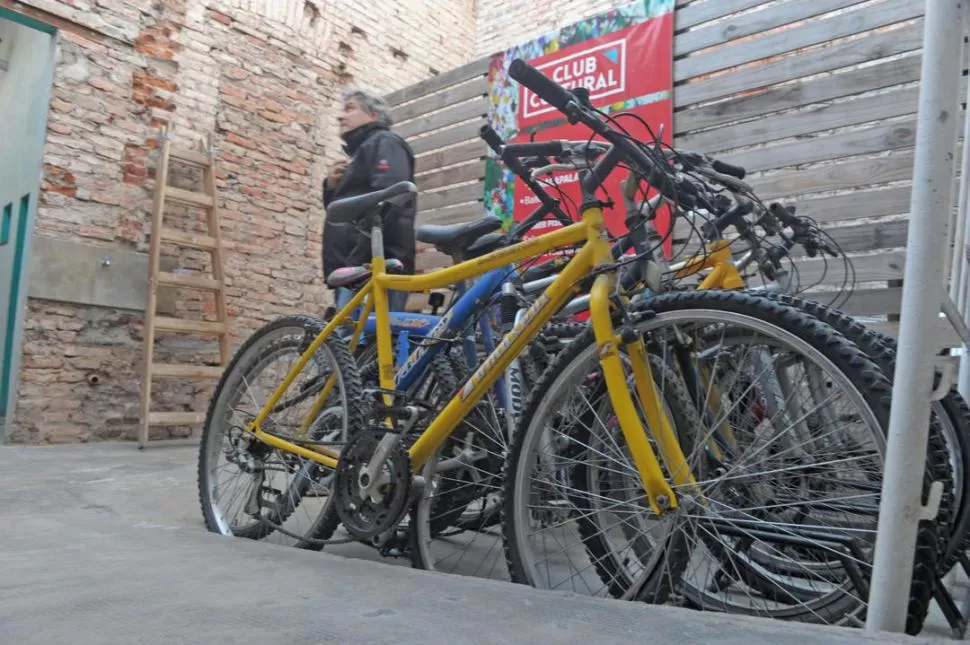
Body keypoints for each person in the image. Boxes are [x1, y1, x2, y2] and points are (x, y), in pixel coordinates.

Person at [322, 87, 416, 314]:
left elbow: (390, 200)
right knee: (351, 343)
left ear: (373, 114)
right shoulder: (363, 152)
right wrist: (331, 187)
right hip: (355, 267)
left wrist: (356, 260)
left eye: (350, 108)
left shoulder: (385, 143)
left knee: (370, 342)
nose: (340, 116)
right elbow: (341, 216)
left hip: (374, 266)